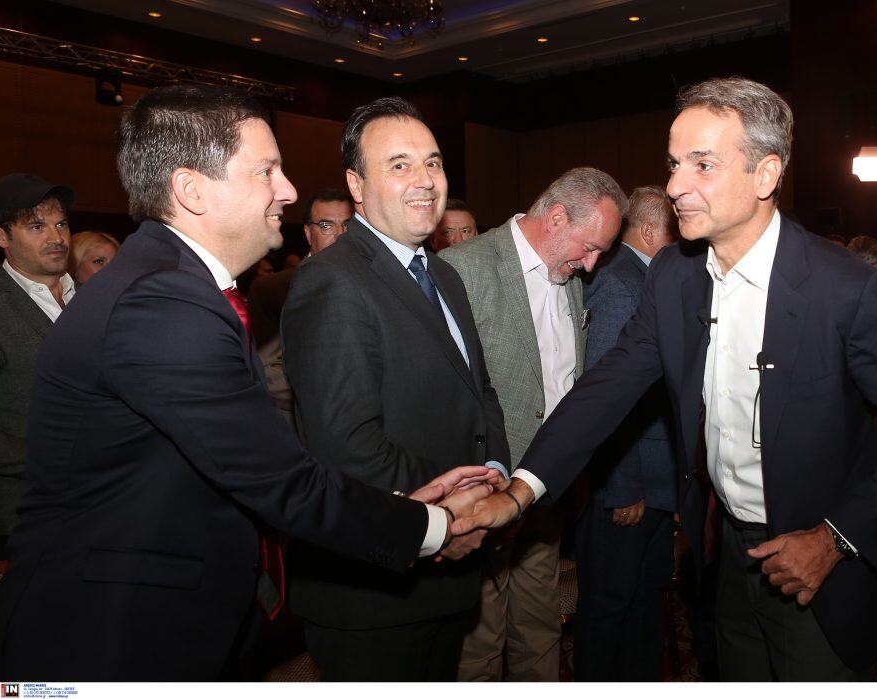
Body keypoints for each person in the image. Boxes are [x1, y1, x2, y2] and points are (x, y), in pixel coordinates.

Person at [454, 77, 877, 681]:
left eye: (702, 165)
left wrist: (834, 539)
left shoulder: (847, 289)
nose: (675, 186)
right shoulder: (675, 276)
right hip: (724, 553)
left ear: (765, 175)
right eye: (674, 164)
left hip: (822, 568)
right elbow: (604, 390)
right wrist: (519, 492)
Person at [0, 85, 492, 681]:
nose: (288, 190)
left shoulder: (175, 286)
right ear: (192, 190)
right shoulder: (160, 301)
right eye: (267, 171)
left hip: (154, 615)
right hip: (104, 634)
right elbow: (280, 479)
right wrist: (435, 526)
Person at [280, 97, 511, 681]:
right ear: (356, 185)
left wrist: (490, 478)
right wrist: (449, 515)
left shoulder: (443, 274)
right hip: (376, 585)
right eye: (400, 165)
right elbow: (346, 447)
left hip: (445, 571)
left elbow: (479, 392)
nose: (425, 180)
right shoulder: (331, 281)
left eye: (433, 163)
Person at [440, 166, 625, 681]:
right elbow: (447, 396)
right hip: (484, 490)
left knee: (539, 631)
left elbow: (565, 379)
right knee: (479, 645)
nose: (592, 266)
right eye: (590, 248)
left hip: (547, 492)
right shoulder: (461, 268)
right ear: (557, 217)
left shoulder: (568, 275)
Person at [572, 185, 681, 681]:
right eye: (675, 234)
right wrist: (623, 486)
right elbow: (607, 398)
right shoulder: (620, 284)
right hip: (629, 487)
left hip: (654, 483)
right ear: (652, 230)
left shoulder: (644, 280)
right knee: (610, 606)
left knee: (644, 599)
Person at [0, 173, 75, 562]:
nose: (56, 237)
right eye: (36, 226)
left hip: (101, 509)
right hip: (22, 517)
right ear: (2, 237)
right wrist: (60, 461)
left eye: (61, 224)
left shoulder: (92, 299)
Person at [247, 189, 353, 430]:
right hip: (296, 429)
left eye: (347, 225)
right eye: (326, 226)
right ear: (308, 233)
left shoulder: (375, 283)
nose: (340, 235)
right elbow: (265, 371)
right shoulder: (273, 289)